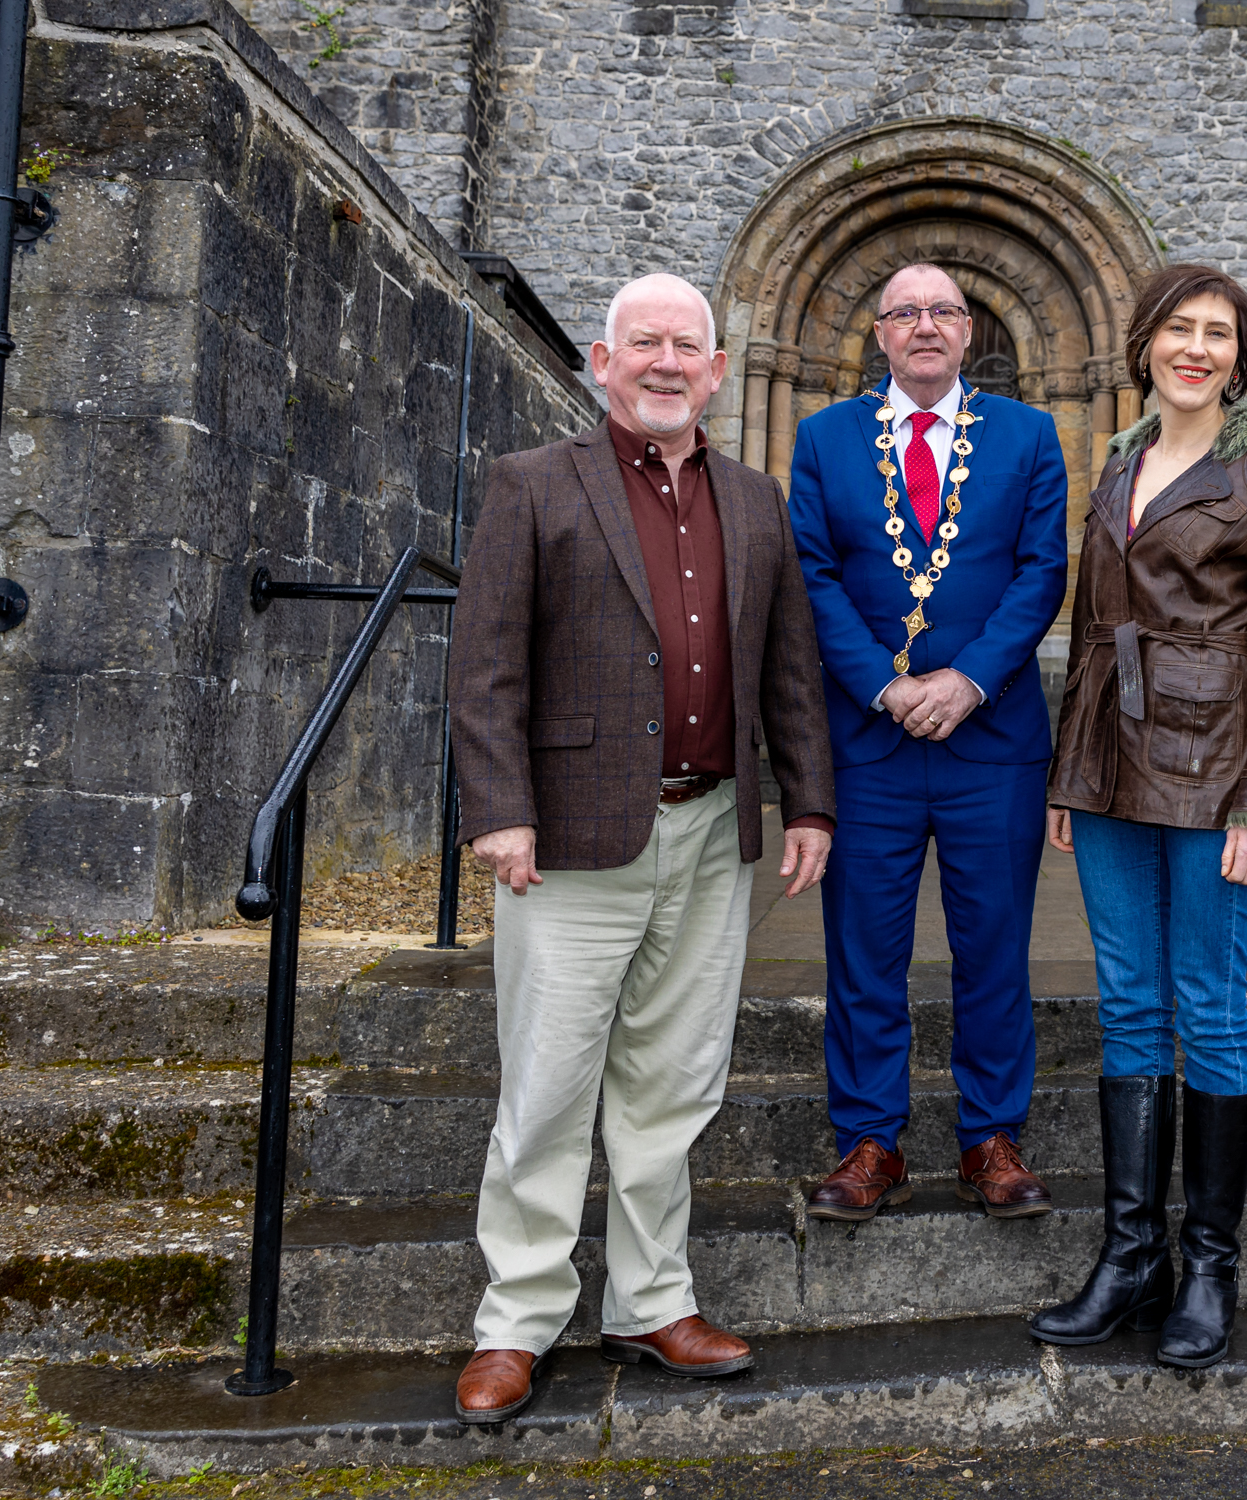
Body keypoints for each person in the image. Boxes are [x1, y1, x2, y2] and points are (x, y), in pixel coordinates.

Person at [447, 272, 836, 1420]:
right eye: (644, 344)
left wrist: (809, 803)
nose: (667, 363)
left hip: (712, 831)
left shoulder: (759, 503)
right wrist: (500, 806)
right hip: (568, 835)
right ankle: (516, 1319)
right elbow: (485, 664)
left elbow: (791, 673)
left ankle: (651, 1300)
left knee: (673, 1087)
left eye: (689, 346)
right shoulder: (533, 483)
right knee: (551, 1082)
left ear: (718, 372)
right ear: (602, 364)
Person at [1029, 264, 1247, 1369]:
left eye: (1218, 334)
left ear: (1240, 355)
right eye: (1178, 330)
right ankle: (1130, 1256)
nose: (1195, 349)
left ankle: (1209, 1266)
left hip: (1214, 773)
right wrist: (1068, 774)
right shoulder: (1117, 462)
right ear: (1145, 343)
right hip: (1109, 771)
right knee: (1128, 1007)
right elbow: (1091, 630)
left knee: (1207, 1006)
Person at [785, 263, 1069, 1224]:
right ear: (878, 333)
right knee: (864, 951)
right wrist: (884, 683)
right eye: (904, 312)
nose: (924, 326)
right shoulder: (822, 439)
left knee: (995, 948)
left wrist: (968, 679)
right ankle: (871, 1142)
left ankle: (992, 1138)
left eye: (943, 310)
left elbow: (1042, 572)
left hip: (994, 741)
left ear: (969, 327)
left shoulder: (1030, 437)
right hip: (869, 743)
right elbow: (812, 575)